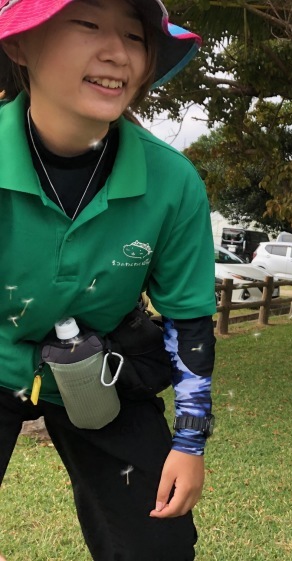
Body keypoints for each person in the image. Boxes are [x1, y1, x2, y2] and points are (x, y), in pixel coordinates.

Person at [0, 1, 216, 559]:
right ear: (19, 44)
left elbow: (188, 320)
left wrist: (189, 443)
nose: (117, 53)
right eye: (87, 24)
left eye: (135, 37)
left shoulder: (171, 182)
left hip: (97, 368)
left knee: (158, 541)